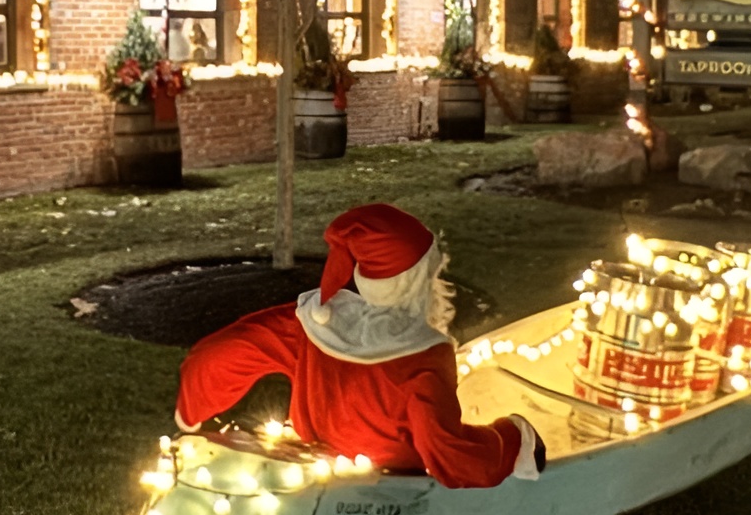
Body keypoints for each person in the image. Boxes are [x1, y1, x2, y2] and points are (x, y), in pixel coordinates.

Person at [174, 203, 545, 488]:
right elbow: (446, 450)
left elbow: (227, 350)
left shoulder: (315, 321)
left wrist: (191, 412)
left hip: (315, 459)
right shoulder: (423, 353)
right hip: (390, 478)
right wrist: (514, 438)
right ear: (417, 280)